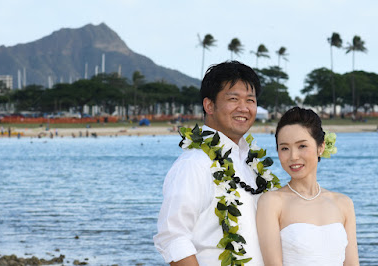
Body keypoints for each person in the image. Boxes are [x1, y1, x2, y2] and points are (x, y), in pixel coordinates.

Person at [154, 61, 266, 265]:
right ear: (209, 105)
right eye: (233, 99)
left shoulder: (250, 164)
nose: (244, 108)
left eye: (250, 100)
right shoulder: (194, 164)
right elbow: (173, 238)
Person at [256, 107, 359, 266]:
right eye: (284, 148)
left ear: (321, 147)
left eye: (302, 146)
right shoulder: (272, 202)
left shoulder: (343, 203)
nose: (293, 156)